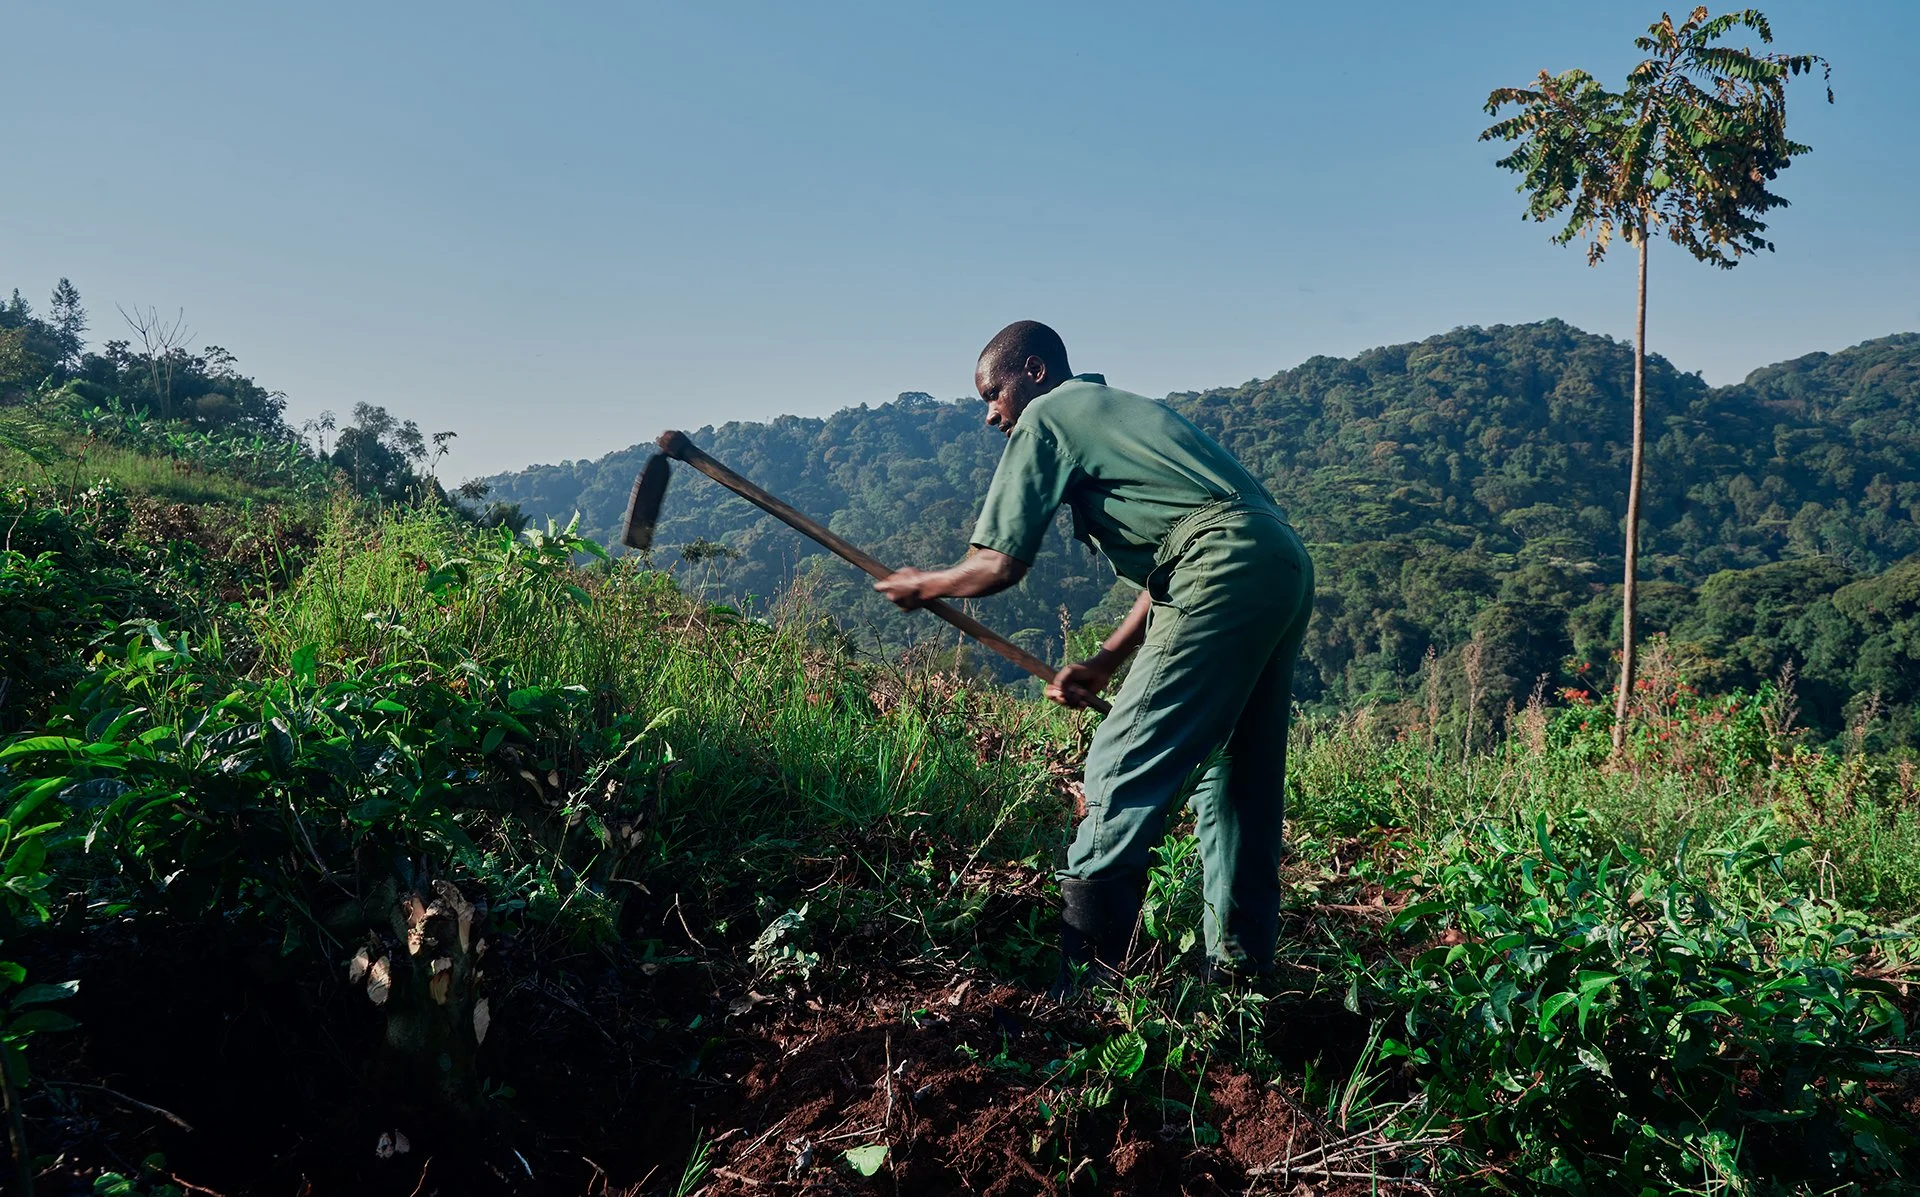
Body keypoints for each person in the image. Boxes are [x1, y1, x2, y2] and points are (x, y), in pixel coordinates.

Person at [874, 320, 1314, 985]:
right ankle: (1242, 982)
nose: (991, 415)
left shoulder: (1048, 416)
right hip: (1277, 561)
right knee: (1237, 778)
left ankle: (1087, 990)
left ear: (1034, 371)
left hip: (1217, 563)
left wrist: (921, 583)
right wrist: (1106, 660)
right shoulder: (1119, 410)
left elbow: (998, 562)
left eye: (993, 393)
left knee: (1116, 763)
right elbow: (1172, 558)